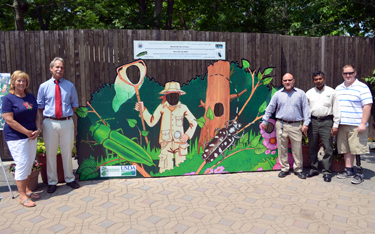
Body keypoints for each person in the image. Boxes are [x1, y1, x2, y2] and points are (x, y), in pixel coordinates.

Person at [37, 57, 80, 193]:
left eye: (61, 67)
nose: (59, 69)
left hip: (66, 122)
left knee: (67, 152)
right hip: (50, 123)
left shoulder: (69, 86)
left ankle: (69, 178)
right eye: (57, 67)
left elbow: (74, 105)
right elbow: (40, 107)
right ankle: (52, 181)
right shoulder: (44, 86)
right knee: (51, 153)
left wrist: (64, 116)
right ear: (51, 69)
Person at [135, 82, 197, 173]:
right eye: (170, 95)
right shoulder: (161, 107)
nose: (173, 98)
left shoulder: (183, 108)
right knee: (165, 169)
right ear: (166, 96)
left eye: (175, 95)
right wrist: (143, 110)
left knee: (182, 167)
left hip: (180, 142)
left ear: (179, 95)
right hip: (165, 142)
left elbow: (194, 122)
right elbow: (151, 122)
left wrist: (187, 135)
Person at [2, 71, 42, 207]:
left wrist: (38, 129)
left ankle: (27, 189)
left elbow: (37, 114)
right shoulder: (8, 99)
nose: (21, 83)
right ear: (13, 82)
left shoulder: (30, 96)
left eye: (24, 81)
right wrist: (26, 132)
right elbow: (9, 120)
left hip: (31, 135)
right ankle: (22, 196)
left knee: (30, 162)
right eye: (18, 80)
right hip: (16, 137)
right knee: (22, 163)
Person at [261, 73, 310, 179]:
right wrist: (265, 121)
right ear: (282, 82)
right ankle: (284, 168)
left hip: (295, 125)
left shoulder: (301, 94)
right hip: (281, 124)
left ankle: (298, 169)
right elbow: (270, 108)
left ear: (294, 80)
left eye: (289, 80)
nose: (287, 82)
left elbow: (306, 109)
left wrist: (306, 123)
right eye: (285, 80)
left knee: (297, 149)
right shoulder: (278, 94)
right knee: (282, 148)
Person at [335, 64, 373, 184]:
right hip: (343, 124)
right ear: (342, 74)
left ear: (355, 73)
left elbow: (367, 106)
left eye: (350, 73)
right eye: (345, 73)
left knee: (357, 149)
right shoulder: (338, 88)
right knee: (346, 149)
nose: (348, 75)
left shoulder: (362, 87)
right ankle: (349, 170)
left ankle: (359, 173)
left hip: (356, 125)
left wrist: (363, 123)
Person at [305, 71, 340, 182]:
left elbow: (336, 109)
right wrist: (305, 124)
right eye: (316, 79)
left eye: (320, 79)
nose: (318, 81)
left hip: (327, 121)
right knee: (312, 146)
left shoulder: (332, 92)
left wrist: (335, 125)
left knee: (328, 147)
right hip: (313, 122)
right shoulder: (309, 93)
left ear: (324, 79)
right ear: (313, 81)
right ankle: (314, 169)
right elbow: (305, 110)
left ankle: (327, 172)